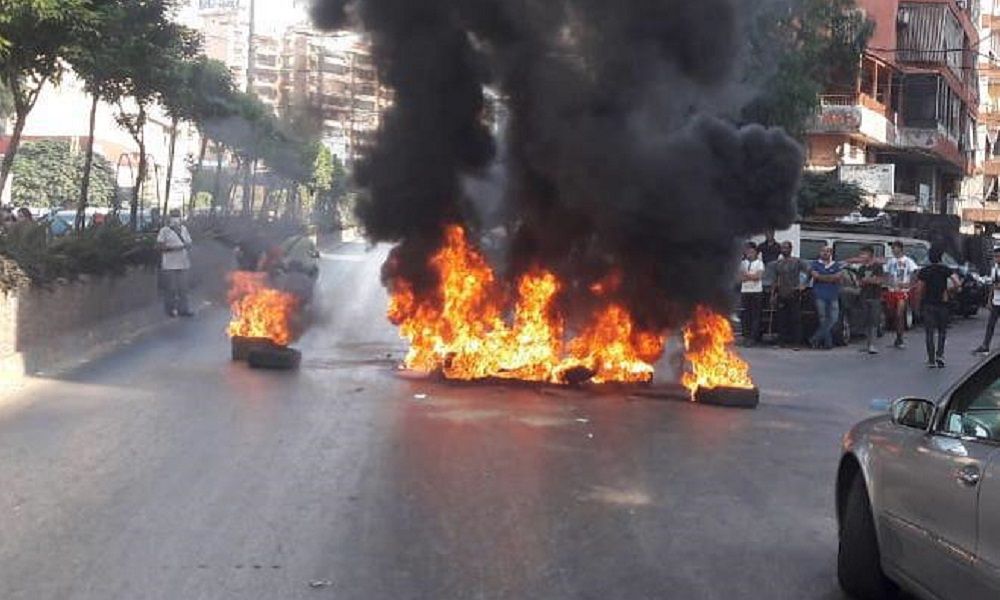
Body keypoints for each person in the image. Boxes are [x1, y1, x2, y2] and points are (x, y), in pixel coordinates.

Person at [917, 247, 960, 368]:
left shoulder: (924, 271)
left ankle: (931, 360)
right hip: (942, 304)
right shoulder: (945, 269)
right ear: (941, 258)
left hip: (928, 304)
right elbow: (957, 283)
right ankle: (940, 355)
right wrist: (948, 291)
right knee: (942, 331)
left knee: (929, 333)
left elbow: (919, 289)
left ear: (929, 258)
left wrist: (918, 303)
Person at [156, 209, 194, 317]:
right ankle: (170, 310)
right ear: (170, 218)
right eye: (174, 216)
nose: (176, 218)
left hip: (183, 263)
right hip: (169, 265)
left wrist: (187, 246)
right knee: (170, 289)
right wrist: (174, 248)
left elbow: (189, 243)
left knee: (183, 288)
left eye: (177, 216)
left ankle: (184, 309)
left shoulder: (184, 229)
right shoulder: (164, 231)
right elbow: (159, 246)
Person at [772, 241, 811, 346]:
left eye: (786, 248)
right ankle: (781, 341)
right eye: (782, 248)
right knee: (781, 319)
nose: (784, 250)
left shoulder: (797, 261)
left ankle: (797, 342)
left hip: (794, 293)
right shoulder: (778, 263)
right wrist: (773, 294)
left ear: (790, 249)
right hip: (781, 293)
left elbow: (809, 270)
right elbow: (775, 279)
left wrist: (804, 284)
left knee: (795, 319)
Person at [884, 241, 919, 349]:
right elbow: (887, 273)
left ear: (900, 249)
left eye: (895, 248)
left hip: (903, 291)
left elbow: (915, 272)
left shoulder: (908, 261)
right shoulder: (891, 261)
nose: (893, 250)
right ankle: (897, 335)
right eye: (892, 249)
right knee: (893, 313)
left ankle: (900, 338)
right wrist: (888, 282)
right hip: (892, 290)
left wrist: (910, 284)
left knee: (899, 314)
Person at [809, 245, 844, 350]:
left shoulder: (836, 265)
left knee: (834, 319)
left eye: (828, 251)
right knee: (823, 319)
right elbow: (815, 276)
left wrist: (822, 277)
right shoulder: (815, 264)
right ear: (820, 252)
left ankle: (815, 338)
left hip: (833, 295)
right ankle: (828, 343)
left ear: (831, 253)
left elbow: (838, 276)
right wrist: (830, 277)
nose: (825, 253)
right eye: (823, 251)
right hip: (819, 295)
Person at [854, 246, 886, 355]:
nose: (861, 256)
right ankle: (867, 344)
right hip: (864, 296)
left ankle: (872, 344)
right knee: (866, 321)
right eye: (861, 254)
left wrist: (869, 280)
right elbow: (858, 282)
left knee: (874, 321)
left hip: (875, 296)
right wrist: (866, 281)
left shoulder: (877, 267)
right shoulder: (861, 268)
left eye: (863, 254)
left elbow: (880, 280)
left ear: (870, 254)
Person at [975, 247, 1000, 354]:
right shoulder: (994, 269)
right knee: (990, 325)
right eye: (995, 256)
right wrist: (989, 300)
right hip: (996, 301)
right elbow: (992, 286)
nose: (997, 258)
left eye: (998, 256)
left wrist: (997, 286)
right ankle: (985, 345)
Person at [739, 243, 766, 345]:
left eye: (752, 252)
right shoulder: (743, 263)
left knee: (755, 315)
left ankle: (753, 337)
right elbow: (740, 277)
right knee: (745, 315)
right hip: (745, 291)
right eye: (748, 252)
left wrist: (747, 275)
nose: (749, 254)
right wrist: (751, 276)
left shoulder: (759, 263)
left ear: (756, 253)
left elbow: (758, 277)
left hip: (756, 292)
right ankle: (746, 336)